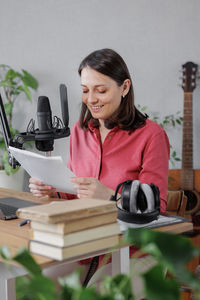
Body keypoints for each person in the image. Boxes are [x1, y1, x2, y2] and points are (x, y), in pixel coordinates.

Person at [29, 48, 170, 295]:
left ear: (124, 87)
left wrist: (110, 196)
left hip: (134, 251)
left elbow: (157, 210)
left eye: (100, 90)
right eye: (85, 90)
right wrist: (52, 189)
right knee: (36, 289)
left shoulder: (151, 135)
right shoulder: (79, 131)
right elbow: (75, 193)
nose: (91, 99)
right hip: (85, 245)